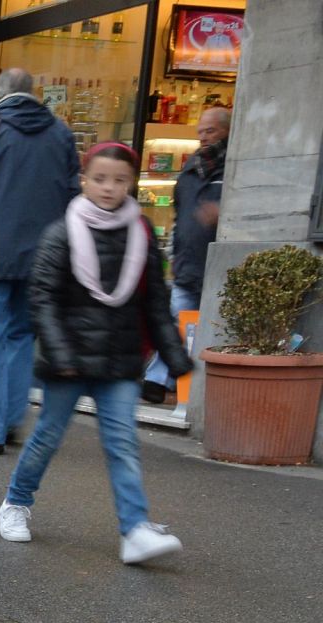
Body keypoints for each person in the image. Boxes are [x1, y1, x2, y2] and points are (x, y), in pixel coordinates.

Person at [0, 142, 191, 566]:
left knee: (122, 442)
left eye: (120, 180)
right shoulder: (61, 231)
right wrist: (60, 350)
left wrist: (174, 356)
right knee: (48, 436)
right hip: (68, 359)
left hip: (119, 358)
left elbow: (155, 303)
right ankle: (14, 502)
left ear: (131, 183)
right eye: (100, 179)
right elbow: (43, 298)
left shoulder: (141, 234)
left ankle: (135, 529)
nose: (109, 188)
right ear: (84, 180)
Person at [0, 67, 78, 454]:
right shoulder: (61, 133)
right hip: (43, 257)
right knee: (21, 339)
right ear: (34, 93)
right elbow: (72, 194)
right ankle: (12, 421)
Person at [143, 107, 228, 404]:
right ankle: (156, 380)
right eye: (201, 132)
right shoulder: (192, 168)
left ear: (227, 131)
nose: (204, 137)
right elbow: (180, 215)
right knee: (176, 320)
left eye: (211, 131)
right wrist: (175, 255)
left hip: (218, 265)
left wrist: (225, 213)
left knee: (205, 327)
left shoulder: (234, 167)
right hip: (188, 262)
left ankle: (188, 388)